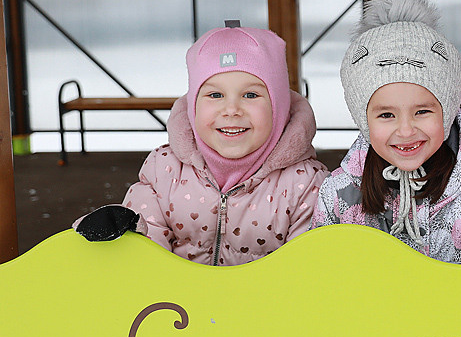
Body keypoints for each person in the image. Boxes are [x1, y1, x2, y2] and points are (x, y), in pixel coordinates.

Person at [73, 23, 328, 265]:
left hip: (265, 307)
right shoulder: (164, 171)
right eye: (215, 95)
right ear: (193, 105)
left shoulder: (305, 184)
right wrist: (124, 230)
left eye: (251, 95)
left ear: (280, 106)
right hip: (178, 307)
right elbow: (146, 250)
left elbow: (304, 267)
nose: (231, 109)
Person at [314, 0, 461, 263]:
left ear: (447, 111)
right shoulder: (337, 193)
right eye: (386, 115)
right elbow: (323, 281)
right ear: (363, 118)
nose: (406, 130)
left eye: (422, 111)